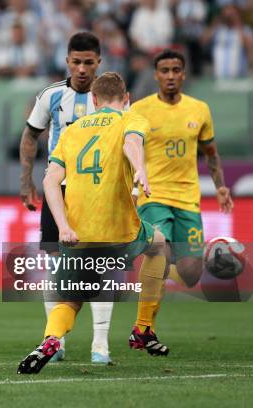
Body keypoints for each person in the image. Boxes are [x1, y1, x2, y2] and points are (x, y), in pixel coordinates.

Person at [18, 72, 169, 375]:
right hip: (118, 231)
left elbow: (50, 181)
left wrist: (63, 226)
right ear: (127, 99)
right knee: (159, 245)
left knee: (70, 298)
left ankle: (51, 339)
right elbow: (131, 144)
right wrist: (140, 169)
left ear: (94, 100)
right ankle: (143, 327)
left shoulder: (72, 132)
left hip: (77, 232)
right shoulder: (131, 117)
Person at [18, 32, 114, 364]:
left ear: (99, 62)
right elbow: (30, 136)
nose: (83, 68)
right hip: (57, 189)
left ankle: (100, 343)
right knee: (56, 265)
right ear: (67, 61)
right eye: (77, 62)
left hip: (99, 189)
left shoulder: (112, 98)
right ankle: (55, 340)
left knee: (101, 264)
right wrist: (25, 179)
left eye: (89, 62)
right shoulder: (52, 95)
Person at [130, 49, 233, 291]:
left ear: (184, 74)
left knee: (190, 274)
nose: (170, 76)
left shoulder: (199, 109)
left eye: (176, 70)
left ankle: (157, 275)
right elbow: (128, 150)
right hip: (153, 195)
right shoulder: (139, 110)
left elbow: (211, 153)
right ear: (156, 75)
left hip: (187, 199)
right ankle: (143, 325)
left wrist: (220, 187)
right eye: (164, 71)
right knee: (159, 254)